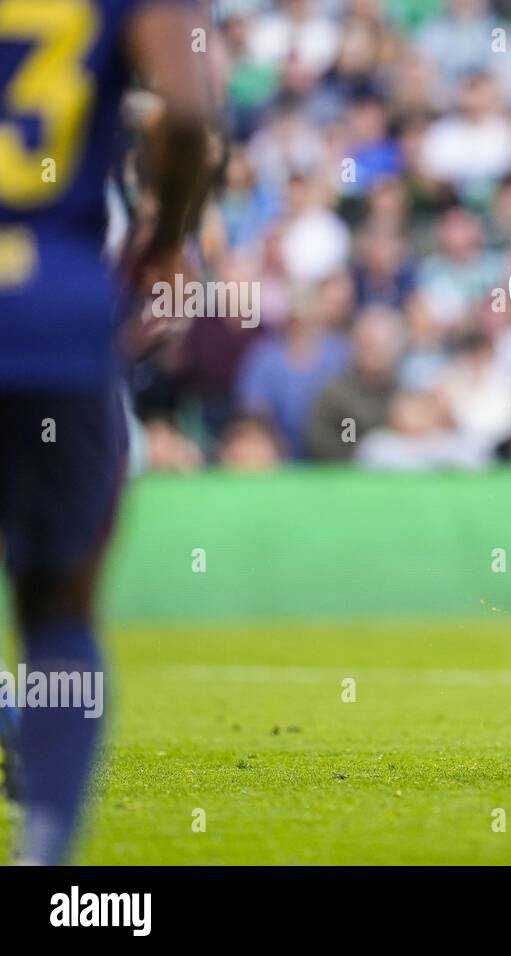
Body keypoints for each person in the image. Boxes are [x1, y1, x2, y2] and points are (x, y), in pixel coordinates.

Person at [0, 0, 212, 863]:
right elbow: (191, 110)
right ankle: (47, 855)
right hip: (58, 319)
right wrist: (165, 241)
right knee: (57, 609)